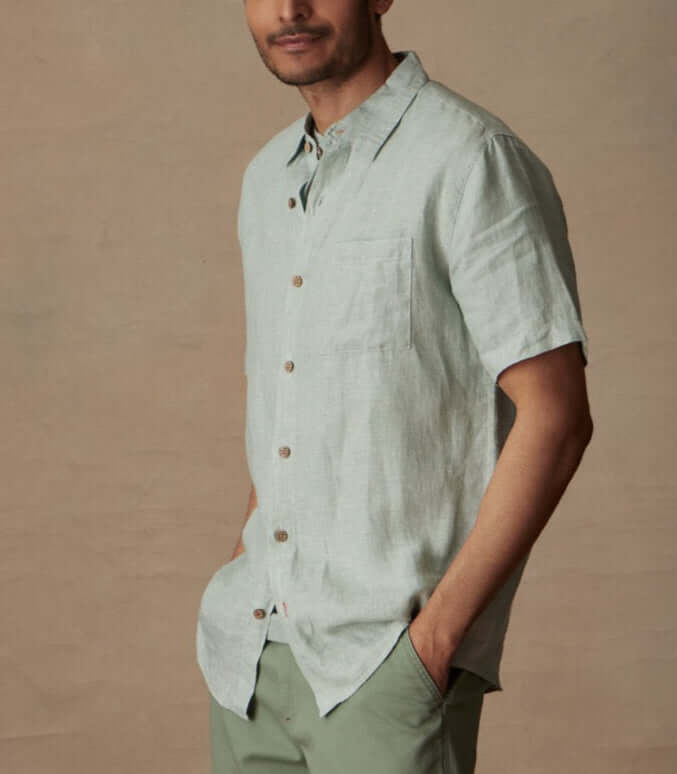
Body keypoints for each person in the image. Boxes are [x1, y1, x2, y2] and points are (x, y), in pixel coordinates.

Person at [196, 1, 594, 772]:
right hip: (249, 656)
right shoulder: (266, 180)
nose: (289, 9)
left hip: (384, 662)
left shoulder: (467, 158)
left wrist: (434, 643)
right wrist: (243, 575)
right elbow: (288, 403)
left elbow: (557, 416)